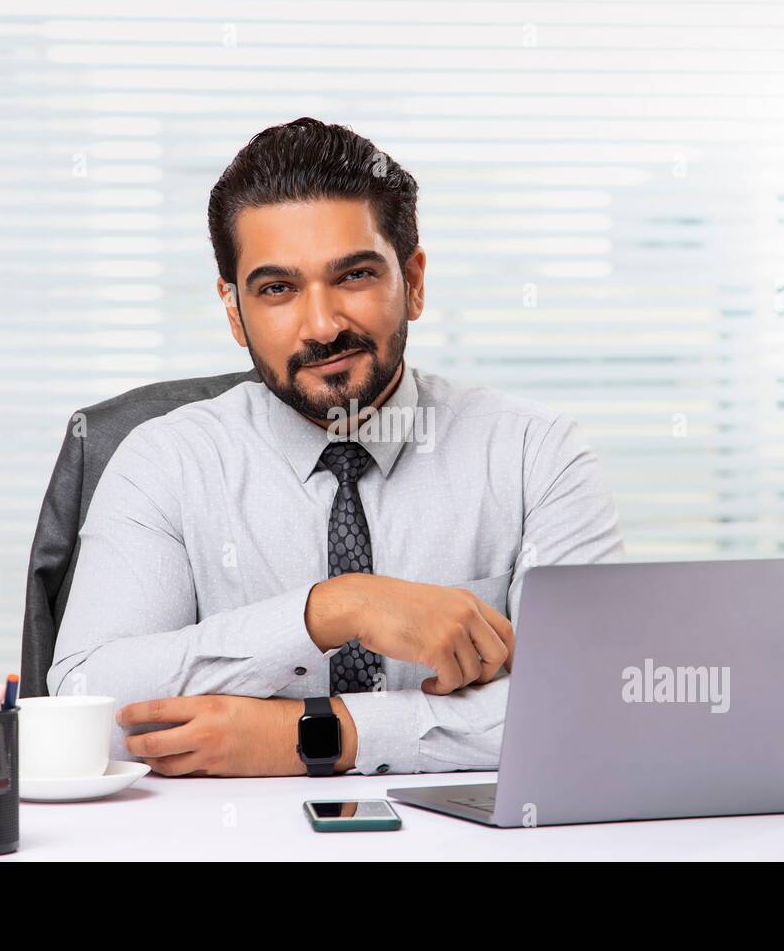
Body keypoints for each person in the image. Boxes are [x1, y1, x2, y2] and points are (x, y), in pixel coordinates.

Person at [48, 117, 624, 776]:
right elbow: (84, 711)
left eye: (353, 276)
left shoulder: (535, 455)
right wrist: (332, 609)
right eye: (278, 289)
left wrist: (321, 733)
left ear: (414, 281)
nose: (322, 326)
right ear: (234, 311)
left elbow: (593, 705)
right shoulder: (164, 462)